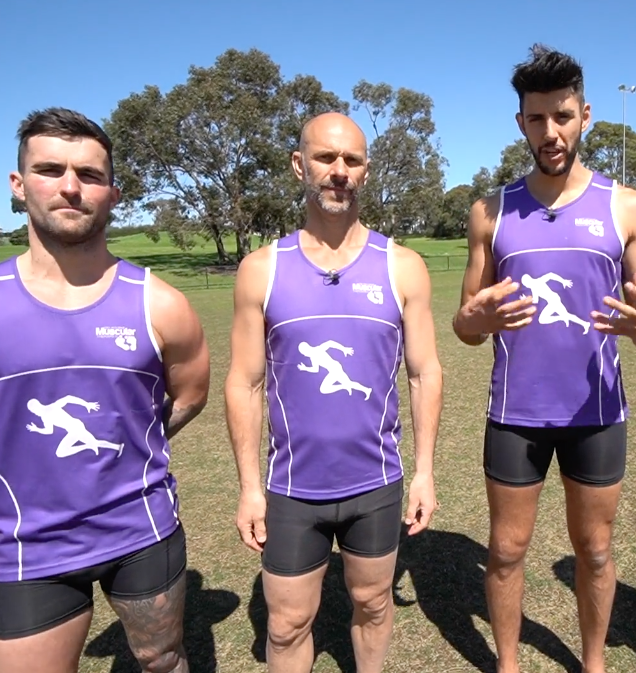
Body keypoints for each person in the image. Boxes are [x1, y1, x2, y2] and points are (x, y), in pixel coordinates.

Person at [0, 107, 210, 673]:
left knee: (163, 659)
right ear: (19, 184)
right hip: (33, 542)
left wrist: (133, 442)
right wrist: (23, 454)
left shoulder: (161, 303)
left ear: (113, 193)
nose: (70, 186)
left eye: (89, 175)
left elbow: (191, 395)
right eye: (50, 170)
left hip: (142, 529)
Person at [450, 44, 636, 673]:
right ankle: (508, 665)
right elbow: (467, 324)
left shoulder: (628, 207)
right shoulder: (490, 211)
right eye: (537, 118)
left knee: (595, 552)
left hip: (596, 414)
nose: (551, 132)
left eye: (563, 116)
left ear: (586, 116)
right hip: (515, 414)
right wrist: (473, 321)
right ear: (521, 122)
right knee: (505, 551)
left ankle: (593, 663)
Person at [224, 111, 444, 673]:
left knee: (372, 603)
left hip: (377, 483)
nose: (339, 171)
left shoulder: (403, 266)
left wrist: (424, 472)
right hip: (293, 488)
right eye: (326, 157)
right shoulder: (261, 269)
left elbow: (424, 372)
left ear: (365, 171)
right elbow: (245, 382)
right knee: (286, 623)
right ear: (300, 165)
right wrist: (249, 488)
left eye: (352, 160)